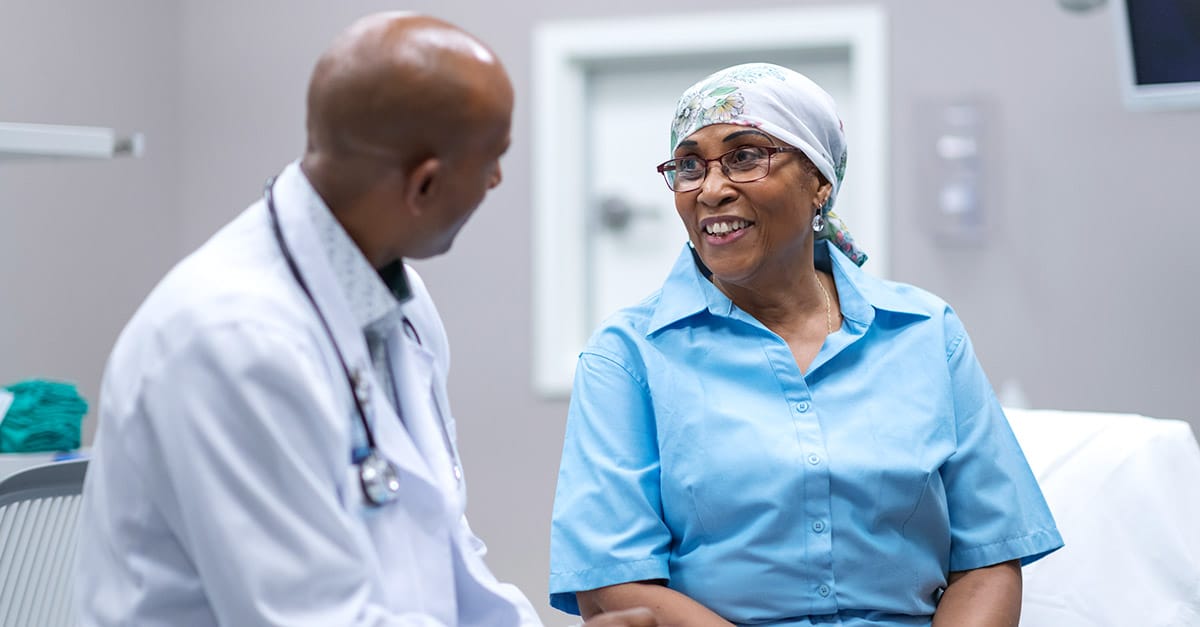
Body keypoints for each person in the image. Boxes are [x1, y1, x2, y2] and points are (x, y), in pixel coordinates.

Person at [74, 12, 657, 627]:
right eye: (492, 158)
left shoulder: (399, 304)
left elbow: (444, 550)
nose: (496, 179)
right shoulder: (230, 339)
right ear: (424, 185)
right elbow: (310, 617)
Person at [548, 63, 1064, 627]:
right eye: (689, 165)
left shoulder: (924, 331)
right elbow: (615, 587)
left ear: (819, 182)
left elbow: (989, 559)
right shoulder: (628, 356)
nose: (712, 190)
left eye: (746, 156)